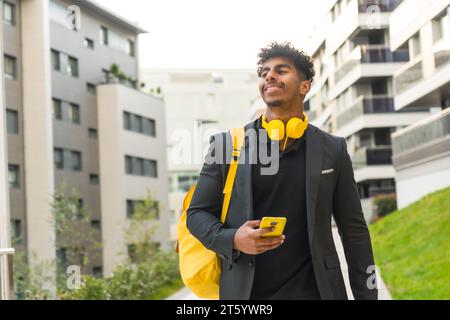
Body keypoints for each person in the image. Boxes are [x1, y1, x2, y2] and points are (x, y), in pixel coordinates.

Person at [187, 42, 377, 300]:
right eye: (265, 72)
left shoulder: (333, 149)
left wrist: (368, 297)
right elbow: (196, 214)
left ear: (304, 86)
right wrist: (233, 239)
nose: (270, 76)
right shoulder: (226, 145)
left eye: (281, 70)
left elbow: (354, 232)